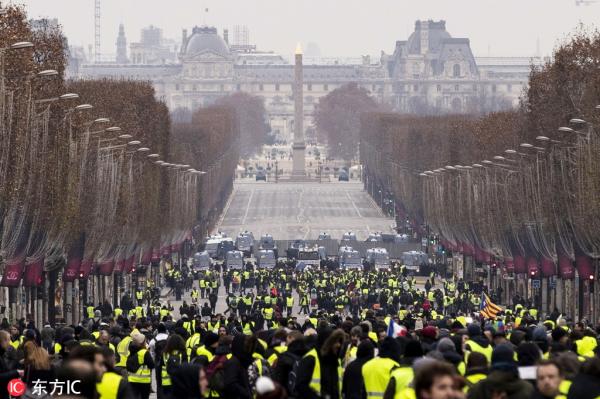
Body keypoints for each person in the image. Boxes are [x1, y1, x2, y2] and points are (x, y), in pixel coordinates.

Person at [295, 327, 345, 399]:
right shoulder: (310, 358)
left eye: (339, 342)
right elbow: (301, 387)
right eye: (335, 342)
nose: (338, 345)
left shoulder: (336, 360)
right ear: (327, 342)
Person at [127, 332, 155, 399]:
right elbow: (152, 365)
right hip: (144, 381)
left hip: (132, 380)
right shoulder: (144, 352)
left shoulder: (130, 351)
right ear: (142, 343)